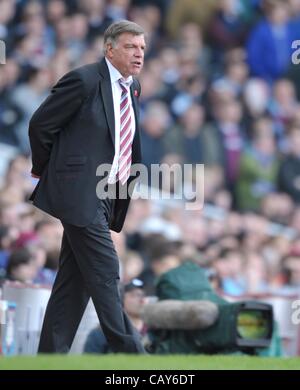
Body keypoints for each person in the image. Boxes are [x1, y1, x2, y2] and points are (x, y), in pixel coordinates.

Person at [28, 20, 146, 353]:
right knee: (107, 268)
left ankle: (48, 358)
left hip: (108, 195)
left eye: (142, 48)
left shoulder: (132, 87)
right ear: (109, 49)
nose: (138, 54)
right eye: (130, 47)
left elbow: (126, 142)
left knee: (74, 282)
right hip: (80, 193)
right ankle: (134, 355)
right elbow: (41, 124)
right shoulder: (82, 79)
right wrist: (46, 170)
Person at [84, 278, 147, 354]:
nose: (141, 300)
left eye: (143, 295)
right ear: (121, 300)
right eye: (134, 295)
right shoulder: (101, 333)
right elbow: (90, 363)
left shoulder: (154, 332)